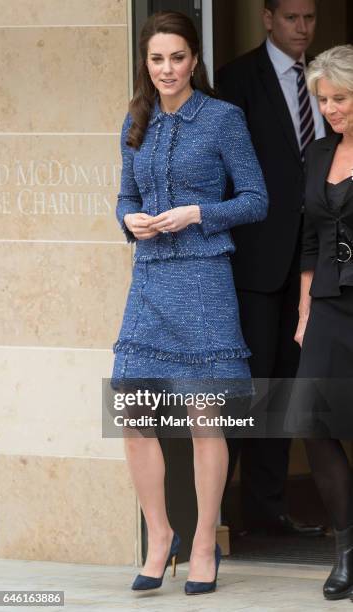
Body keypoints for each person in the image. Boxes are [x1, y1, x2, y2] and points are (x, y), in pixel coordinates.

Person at [111, 11, 268, 596]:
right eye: (157, 59)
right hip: (149, 282)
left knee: (205, 421)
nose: (167, 69)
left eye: (177, 57)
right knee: (133, 415)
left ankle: (205, 542)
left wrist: (198, 212)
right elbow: (125, 196)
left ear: (194, 61)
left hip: (204, 282)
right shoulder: (135, 120)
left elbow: (257, 199)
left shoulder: (223, 119)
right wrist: (131, 219)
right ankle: (161, 537)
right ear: (145, 65)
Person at [216, 0, 326, 535]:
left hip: (317, 260)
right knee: (249, 385)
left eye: (309, 18)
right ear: (267, 18)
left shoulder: (328, 78)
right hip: (257, 261)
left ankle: (268, 508)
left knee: (288, 384)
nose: (302, 28)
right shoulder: (237, 78)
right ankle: (216, 511)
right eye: (291, 18)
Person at [286, 44, 353, 601]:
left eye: (341, 98)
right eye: (324, 100)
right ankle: (347, 551)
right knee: (313, 418)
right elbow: (310, 236)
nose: (330, 108)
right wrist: (306, 310)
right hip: (329, 303)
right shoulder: (317, 153)